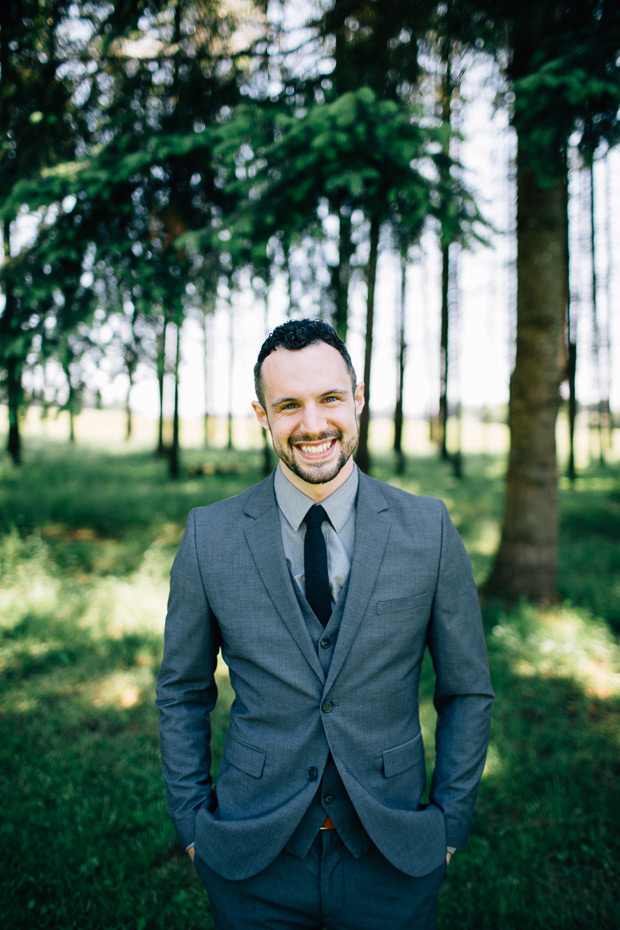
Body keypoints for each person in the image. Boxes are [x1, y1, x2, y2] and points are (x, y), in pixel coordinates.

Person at [156, 319, 494, 930]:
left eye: (330, 399)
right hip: (252, 858)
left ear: (357, 401)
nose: (312, 425)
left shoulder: (428, 530)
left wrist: (447, 823)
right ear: (263, 415)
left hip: (393, 854)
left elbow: (466, 689)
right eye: (289, 405)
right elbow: (182, 692)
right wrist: (191, 825)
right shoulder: (209, 536)